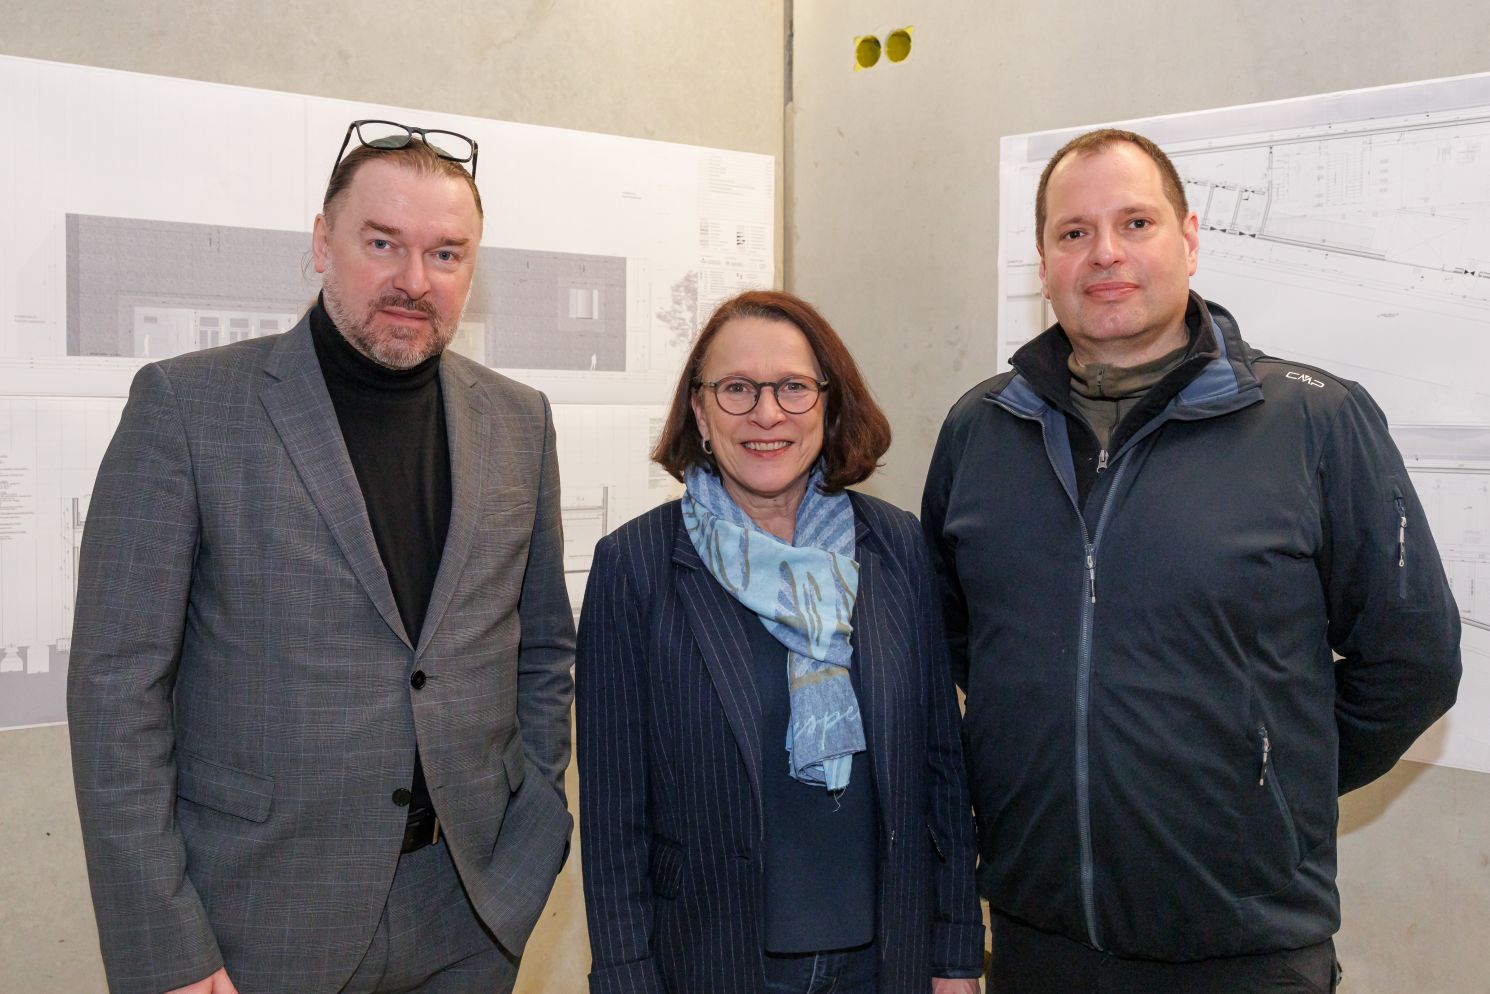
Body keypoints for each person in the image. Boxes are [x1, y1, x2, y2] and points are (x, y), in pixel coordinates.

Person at [921, 127, 1463, 993]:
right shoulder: (981, 430)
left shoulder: (1314, 421)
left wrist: (1266, 787)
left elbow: (1412, 661)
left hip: (1244, 947)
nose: (1105, 252)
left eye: (1135, 223)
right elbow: (960, 639)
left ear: (1190, 238)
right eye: (1073, 232)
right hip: (1036, 934)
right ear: (1044, 263)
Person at [67, 121, 575, 994]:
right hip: (258, 921)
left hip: (469, 915)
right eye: (383, 243)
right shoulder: (188, 407)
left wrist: (533, 833)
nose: (414, 280)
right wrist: (168, 948)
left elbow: (543, 647)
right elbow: (117, 693)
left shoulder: (519, 419)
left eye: (446, 254)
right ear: (321, 244)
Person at [577, 289, 984, 994]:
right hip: (712, 962)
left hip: (887, 958)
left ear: (828, 402)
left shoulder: (894, 546)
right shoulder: (635, 567)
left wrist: (955, 954)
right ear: (700, 411)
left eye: (793, 387)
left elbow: (940, 767)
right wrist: (625, 978)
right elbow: (613, 813)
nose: (767, 414)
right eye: (737, 389)